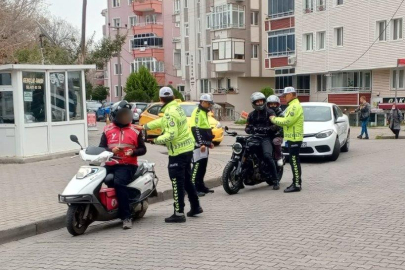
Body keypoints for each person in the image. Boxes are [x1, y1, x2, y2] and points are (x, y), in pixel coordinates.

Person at [143, 87, 202, 223]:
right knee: (187, 180)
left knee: (177, 182)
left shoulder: (169, 112)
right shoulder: (177, 108)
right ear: (173, 96)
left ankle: (179, 213)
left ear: (160, 99)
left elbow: (171, 134)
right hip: (187, 149)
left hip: (178, 152)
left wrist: (154, 140)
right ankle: (196, 206)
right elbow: (163, 122)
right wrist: (145, 127)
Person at [99, 100, 147, 229]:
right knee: (96, 179)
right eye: (122, 114)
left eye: (127, 114)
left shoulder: (135, 130)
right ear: (115, 115)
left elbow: (143, 149)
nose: (125, 117)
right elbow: (101, 148)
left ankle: (126, 217)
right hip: (110, 163)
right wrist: (111, 151)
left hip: (127, 164)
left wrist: (133, 152)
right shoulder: (107, 129)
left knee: (119, 183)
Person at [270, 87, 304, 193]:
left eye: (285, 96)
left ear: (291, 95)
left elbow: (288, 121)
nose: (284, 98)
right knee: (294, 161)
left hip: (294, 138)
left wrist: (273, 119)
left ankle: (296, 184)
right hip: (292, 138)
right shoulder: (292, 106)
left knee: (294, 162)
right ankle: (297, 182)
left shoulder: (294, 107)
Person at [246, 92, 280, 190]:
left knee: (267, 156)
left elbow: (275, 125)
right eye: (257, 102)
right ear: (254, 103)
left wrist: (269, 129)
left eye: (261, 101)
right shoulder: (251, 115)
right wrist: (250, 129)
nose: (260, 103)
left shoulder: (270, 112)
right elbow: (247, 128)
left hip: (266, 138)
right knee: (247, 152)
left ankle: (275, 180)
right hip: (255, 137)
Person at [191, 94, 215, 196]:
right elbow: (195, 129)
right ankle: (193, 189)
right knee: (196, 167)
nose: (209, 105)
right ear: (203, 102)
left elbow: (205, 128)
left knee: (203, 167)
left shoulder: (204, 112)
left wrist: (209, 142)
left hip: (204, 145)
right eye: (208, 103)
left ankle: (201, 186)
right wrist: (200, 143)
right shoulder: (197, 112)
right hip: (198, 145)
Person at [267, 95, 284, 167]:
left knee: (276, 141)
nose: (273, 106)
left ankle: (279, 157)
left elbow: (282, 125)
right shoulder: (266, 113)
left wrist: (278, 132)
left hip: (277, 134)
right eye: (271, 104)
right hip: (267, 133)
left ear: (277, 104)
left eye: (274, 104)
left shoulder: (280, 114)